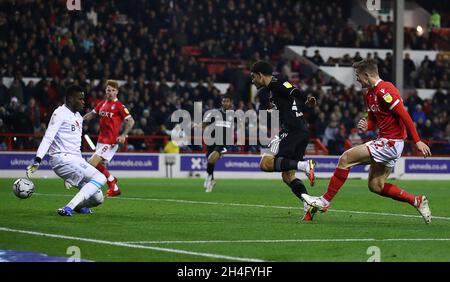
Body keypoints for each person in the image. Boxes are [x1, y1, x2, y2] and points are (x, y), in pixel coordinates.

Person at [302, 59, 432, 223]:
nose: (356, 79)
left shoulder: (386, 90)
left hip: (391, 142)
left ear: (366, 74)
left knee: (345, 158)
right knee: (376, 185)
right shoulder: (369, 94)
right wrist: (367, 125)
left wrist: (418, 141)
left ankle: (324, 201)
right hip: (385, 141)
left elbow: (404, 115)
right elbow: (373, 119)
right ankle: (416, 201)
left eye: (357, 75)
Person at [250, 61, 317, 221]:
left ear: (260, 75)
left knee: (265, 164)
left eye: (253, 77)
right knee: (288, 175)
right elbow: (290, 101)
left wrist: (307, 99)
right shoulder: (273, 90)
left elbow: (293, 90)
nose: (252, 80)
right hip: (300, 130)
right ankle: (308, 203)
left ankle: (305, 166)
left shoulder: (277, 83)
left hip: (293, 131)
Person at [26, 85, 106, 216]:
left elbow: (75, 146)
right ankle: (68, 207)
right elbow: (48, 137)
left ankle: (78, 207)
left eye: (83, 99)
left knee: (98, 198)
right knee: (100, 177)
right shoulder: (59, 113)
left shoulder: (78, 116)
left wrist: (71, 173)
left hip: (74, 161)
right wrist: (38, 159)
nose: (83, 101)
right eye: (80, 99)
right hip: (62, 158)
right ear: (70, 99)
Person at [83, 80, 135, 197]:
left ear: (117, 92)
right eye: (108, 90)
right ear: (105, 91)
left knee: (91, 163)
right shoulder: (102, 103)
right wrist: (79, 120)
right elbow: (91, 114)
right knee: (96, 166)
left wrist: (123, 135)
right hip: (101, 141)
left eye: (112, 90)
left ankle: (111, 181)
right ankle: (114, 186)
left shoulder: (119, 106)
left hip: (111, 141)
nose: (110, 92)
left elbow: (131, 121)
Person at [199, 94, 234, 192]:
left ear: (230, 102)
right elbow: (205, 123)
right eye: (224, 101)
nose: (225, 103)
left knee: (211, 159)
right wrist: (197, 126)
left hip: (223, 143)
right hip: (212, 141)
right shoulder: (215, 113)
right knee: (210, 162)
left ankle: (209, 178)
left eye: (227, 101)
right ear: (221, 102)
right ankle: (212, 180)